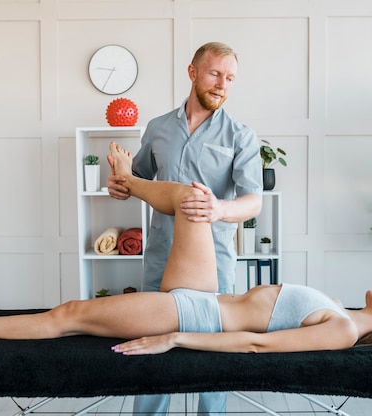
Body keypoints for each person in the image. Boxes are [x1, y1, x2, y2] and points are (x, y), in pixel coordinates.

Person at [0, 142, 372, 359]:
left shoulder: (346, 330)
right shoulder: (343, 313)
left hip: (196, 314)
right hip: (208, 292)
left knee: (69, 315)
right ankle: (127, 179)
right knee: (194, 199)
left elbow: (257, 346)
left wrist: (175, 338)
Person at [107, 41, 262, 415]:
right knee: (151, 353)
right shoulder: (158, 128)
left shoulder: (241, 135)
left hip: (215, 266)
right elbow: (138, 179)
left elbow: (253, 201)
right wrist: (119, 186)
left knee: (213, 359)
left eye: (230, 78)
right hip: (160, 259)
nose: (222, 84)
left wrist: (220, 207)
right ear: (192, 72)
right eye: (214, 74)